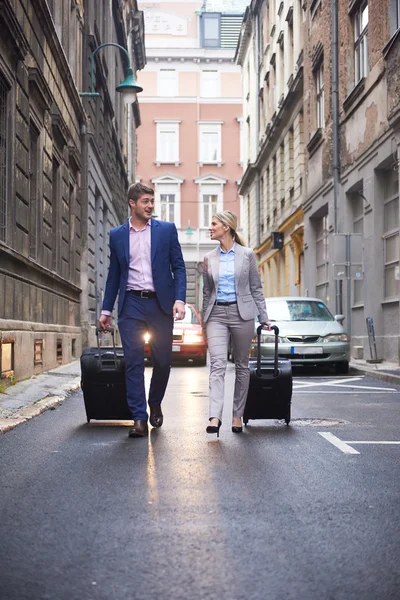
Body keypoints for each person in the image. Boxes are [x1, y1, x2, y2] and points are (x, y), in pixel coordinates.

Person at [98, 183, 186, 438]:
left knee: (164, 361)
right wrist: (106, 309)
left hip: (160, 304)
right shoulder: (117, 235)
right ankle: (139, 417)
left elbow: (178, 267)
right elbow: (114, 275)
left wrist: (179, 299)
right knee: (133, 362)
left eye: (152, 201)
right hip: (131, 304)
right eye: (145, 201)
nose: (150, 206)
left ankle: (155, 400)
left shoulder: (166, 231)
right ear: (132, 204)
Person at [202, 210, 270, 436]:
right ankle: (214, 416)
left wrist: (264, 317)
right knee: (218, 364)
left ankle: (237, 415)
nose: (210, 227)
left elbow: (256, 288)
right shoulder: (208, 258)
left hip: (243, 315)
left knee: (241, 366)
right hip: (217, 315)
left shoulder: (247, 254)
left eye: (213, 223)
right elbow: (207, 292)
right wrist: (205, 320)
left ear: (226, 227)